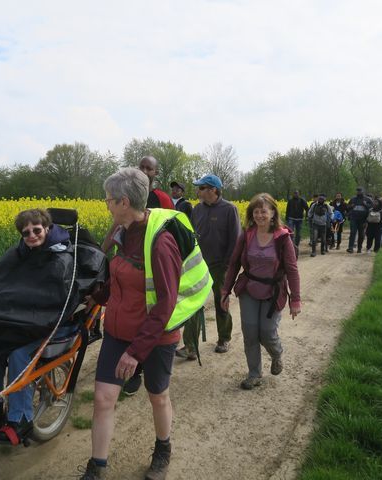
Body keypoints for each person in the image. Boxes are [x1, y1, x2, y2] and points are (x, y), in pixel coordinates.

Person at [78, 167, 211, 480]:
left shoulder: (160, 242)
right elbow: (119, 278)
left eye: (109, 200)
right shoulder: (121, 231)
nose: (106, 204)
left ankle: (163, 447)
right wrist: (97, 297)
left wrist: (136, 352)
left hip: (155, 336)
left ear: (124, 202)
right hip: (118, 330)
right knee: (102, 398)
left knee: (157, 395)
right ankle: (96, 466)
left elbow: (165, 302)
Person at [0, 208, 102, 445]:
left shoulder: (62, 256)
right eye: (26, 233)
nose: (32, 236)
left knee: (17, 353)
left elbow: (57, 298)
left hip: (54, 325)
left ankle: (20, 418)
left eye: (37, 230)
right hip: (24, 322)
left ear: (47, 228)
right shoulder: (20, 254)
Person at [221, 193, 301, 390]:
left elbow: (292, 269)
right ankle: (254, 374)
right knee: (249, 332)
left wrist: (296, 300)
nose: (259, 215)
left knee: (267, 332)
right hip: (249, 288)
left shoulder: (283, 238)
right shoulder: (247, 235)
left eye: (263, 211)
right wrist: (225, 290)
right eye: (255, 211)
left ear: (273, 213)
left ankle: (276, 354)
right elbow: (233, 264)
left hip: (273, 291)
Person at [121, 155, 174, 396]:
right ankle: (135, 373)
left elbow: (170, 227)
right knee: (135, 315)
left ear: (155, 172)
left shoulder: (162, 198)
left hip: (155, 262)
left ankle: (145, 366)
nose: (144, 170)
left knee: (153, 313)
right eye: (141, 166)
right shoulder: (127, 193)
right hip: (133, 261)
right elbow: (118, 224)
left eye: (148, 168)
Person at [178, 174, 241, 357]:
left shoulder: (230, 209)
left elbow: (235, 239)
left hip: (220, 266)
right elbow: (192, 236)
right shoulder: (197, 209)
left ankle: (224, 338)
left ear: (213, 190)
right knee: (193, 304)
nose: (198, 191)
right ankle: (190, 346)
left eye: (202, 187)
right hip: (198, 265)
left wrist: (228, 265)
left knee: (221, 302)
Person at [347, 187, 372, 253]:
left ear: (363, 191)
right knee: (352, 232)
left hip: (363, 219)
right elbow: (347, 207)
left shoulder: (368, 199)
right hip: (354, 218)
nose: (358, 192)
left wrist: (365, 204)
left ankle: (359, 248)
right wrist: (351, 206)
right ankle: (350, 248)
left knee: (361, 234)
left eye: (360, 191)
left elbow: (372, 208)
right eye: (357, 191)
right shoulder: (353, 199)